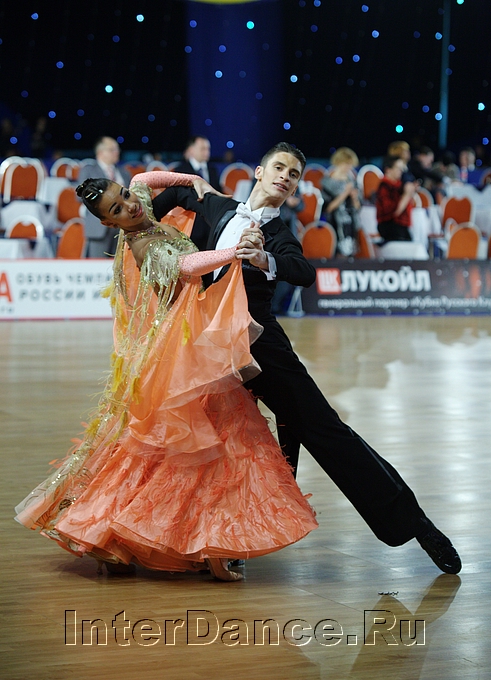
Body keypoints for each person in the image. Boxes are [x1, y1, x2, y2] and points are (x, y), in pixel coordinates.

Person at [152, 141, 461, 575]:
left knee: (324, 430)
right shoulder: (217, 205)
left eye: (294, 174)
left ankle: (416, 524)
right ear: (259, 172)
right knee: (215, 443)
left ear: (295, 187)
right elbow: (163, 195)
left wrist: (264, 258)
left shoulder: (280, 234)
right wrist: (148, 217)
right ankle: (218, 538)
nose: (285, 176)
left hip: (260, 347)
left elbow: (303, 271)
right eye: (279, 168)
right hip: (204, 348)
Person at [14, 169, 318, 582]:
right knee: (208, 445)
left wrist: (193, 181)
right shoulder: (144, 245)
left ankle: (166, 541)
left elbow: (143, 178)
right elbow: (185, 265)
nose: (131, 205)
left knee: (204, 446)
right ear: (109, 223)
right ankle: (186, 542)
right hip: (180, 347)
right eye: (118, 208)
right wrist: (234, 253)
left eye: (124, 195)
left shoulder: (139, 204)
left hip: (192, 336)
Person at [77, 136, 132, 257]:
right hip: (99, 226)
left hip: (122, 227)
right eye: (112, 150)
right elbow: (81, 196)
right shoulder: (88, 171)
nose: (116, 152)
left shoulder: (124, 172)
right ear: (101, 152)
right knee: (97, 264)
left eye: (117, 149)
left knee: (120, 264)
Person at [174, 136, 223, 251]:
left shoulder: (213, 170)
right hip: (191, 224)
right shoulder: (181, 170)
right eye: (202, 149)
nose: (207, 152)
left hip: (210, 225)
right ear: (191, 150)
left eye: (208, 149)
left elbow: (218, 192)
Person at [321, 147, 361, 256]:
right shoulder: (328, 183)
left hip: (350, 224)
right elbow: (328, 208)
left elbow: (358, 207)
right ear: (338, 162)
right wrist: (344, 193)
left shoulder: (352, 181)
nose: (349, 168)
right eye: (346, 164)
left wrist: (354, 197)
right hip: (334, 223)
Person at [376, 155, 419, 242]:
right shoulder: (385, 186)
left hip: (401, 226)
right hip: (391, 226)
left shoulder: (399, 186)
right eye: (398, 168)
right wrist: (407, 195)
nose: (401, 171)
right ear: (388, 170)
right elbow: (392, 211)